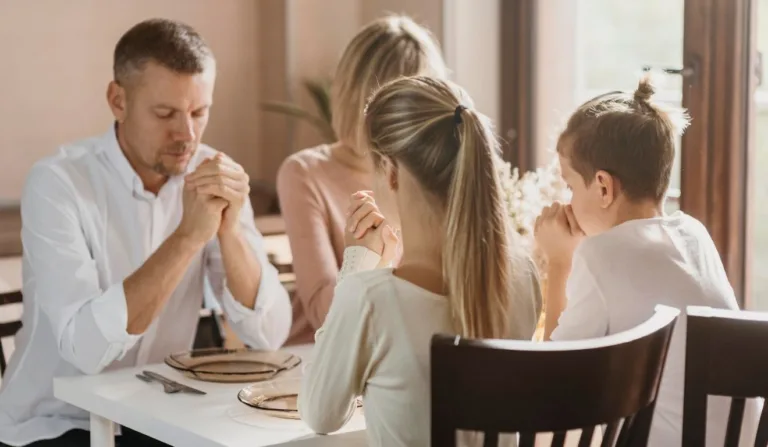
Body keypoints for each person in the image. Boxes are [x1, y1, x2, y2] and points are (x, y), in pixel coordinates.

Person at [0, 19, 291, 447]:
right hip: (54, 423)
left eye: (199, 112)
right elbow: (86, 350)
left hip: (157, 417)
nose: (187, 134)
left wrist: (230, 233)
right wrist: (187, 238)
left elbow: (267, 335)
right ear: (118, 100)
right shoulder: (57, 184)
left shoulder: (212, 173)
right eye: (165, 114)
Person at [298, 76, 542, 447]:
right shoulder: (524, 277)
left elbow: (320, 414)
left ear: (390, 171)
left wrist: (357, 265)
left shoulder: (370, 299)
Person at [535, 77, 758, 446]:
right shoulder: (694, 234)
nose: (568, 200)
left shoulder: (600, 254)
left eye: (571, 186)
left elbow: (554, 382)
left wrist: (559, 261)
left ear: (603, 187)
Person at [277, 15, 448, 345]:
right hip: (318, 354)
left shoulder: (433, 174)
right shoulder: (304, 173)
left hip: (400, 349)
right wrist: (366, 257)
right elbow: (323, 314)